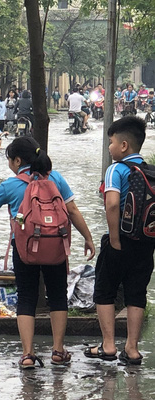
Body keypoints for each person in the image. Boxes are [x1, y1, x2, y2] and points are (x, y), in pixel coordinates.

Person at [0, 136, 95, 368]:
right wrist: (88, 238)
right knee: (57, 295)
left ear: (17, 160)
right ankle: (58, 350)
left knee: (26, 297)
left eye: (9, 160)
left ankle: (28, 354)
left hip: (25, 248)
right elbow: (73, 210)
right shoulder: (55, 178)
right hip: (55, 246)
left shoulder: (11, 184)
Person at [86, 117, 151, 365]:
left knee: (104, 291)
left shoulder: (117, 169)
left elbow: (112, 203)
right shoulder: (149, 172)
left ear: (124, 146)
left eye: (111, 142)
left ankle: (109, 345)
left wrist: (114, 239)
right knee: (137, 294)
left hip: (120, 240)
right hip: (145, 243)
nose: (109, 148)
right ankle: (132, 349)